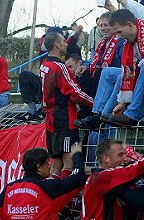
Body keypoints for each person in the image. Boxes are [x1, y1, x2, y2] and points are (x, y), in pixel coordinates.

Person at [40, 32, 93, 176]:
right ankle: (63, 195)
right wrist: (94, 104)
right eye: (64, 41)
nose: (67, 43)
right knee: (69, 162)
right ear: (57, 44)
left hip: (51, 118)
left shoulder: (44, 64)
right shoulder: (59, 67)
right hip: (64, 118)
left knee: (57, 162)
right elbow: (74, 92)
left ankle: (52, 193)